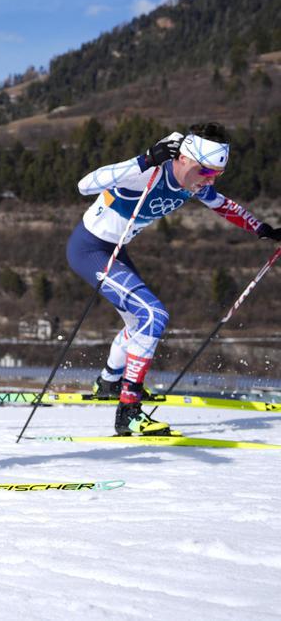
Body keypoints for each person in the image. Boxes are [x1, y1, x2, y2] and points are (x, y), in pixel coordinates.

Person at [66, 122, 281, 436]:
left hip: (115, 249)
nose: (208, 181)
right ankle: (129, 412)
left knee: (138, 323)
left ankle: (109, 382)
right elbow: (85, 185)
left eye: (215, 175)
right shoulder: (148, 172)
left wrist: (262, 230)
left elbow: (223, 205)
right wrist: (144, 159)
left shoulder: (192, 182)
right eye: (204, 171)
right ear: (182, 158)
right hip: (89, 250)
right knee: (153, 315)